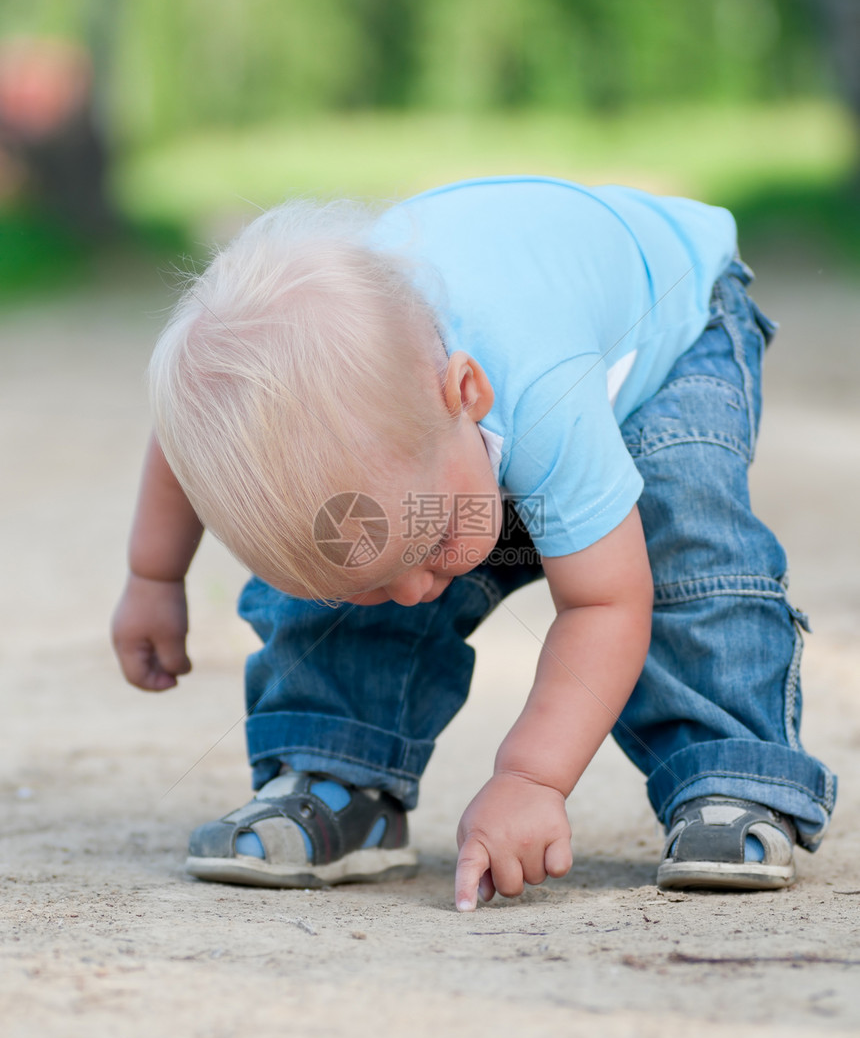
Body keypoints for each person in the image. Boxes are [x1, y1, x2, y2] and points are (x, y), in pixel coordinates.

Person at [111, 177, 836, 911]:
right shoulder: (316, 398)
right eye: (367, 588)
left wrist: (530, 778)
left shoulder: (542, 390)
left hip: (671, 330)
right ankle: (337, 768)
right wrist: (154, 574)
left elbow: (607, 603)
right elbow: (185, 441)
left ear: (466, 393)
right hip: (480, 386)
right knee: (359, 555)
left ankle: (729, 771)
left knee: (681, 531)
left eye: (432, 544)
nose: (415, 591)